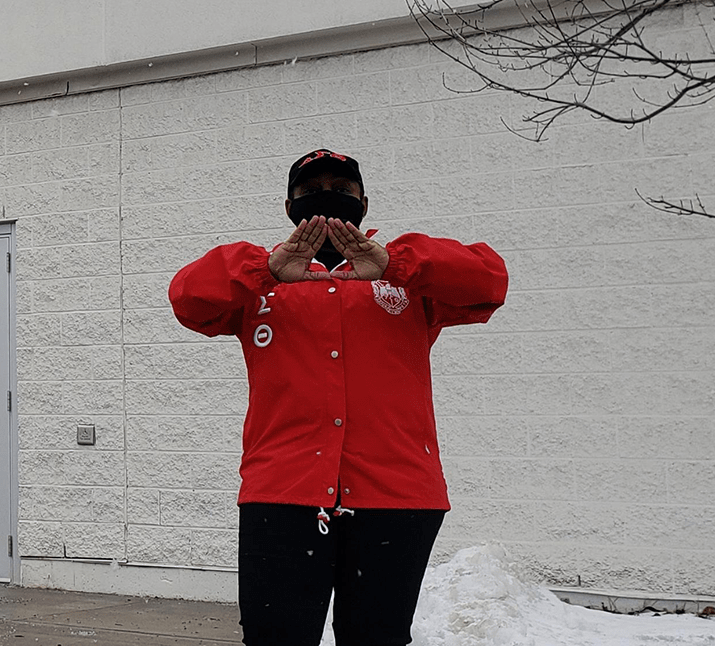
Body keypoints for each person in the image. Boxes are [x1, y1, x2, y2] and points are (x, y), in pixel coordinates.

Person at [168, 149, 507, 646]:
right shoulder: (261, 286)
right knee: (275, 637)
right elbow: (186, 298)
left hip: (395, 495)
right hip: (282, 493)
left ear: (364, 204)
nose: (328, 198)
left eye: (342, 190)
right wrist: (264, 268)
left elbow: (490, 280)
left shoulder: (407, 282)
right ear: (289, 208)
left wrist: (397, 262)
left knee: (376, 638)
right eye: (311, 192)